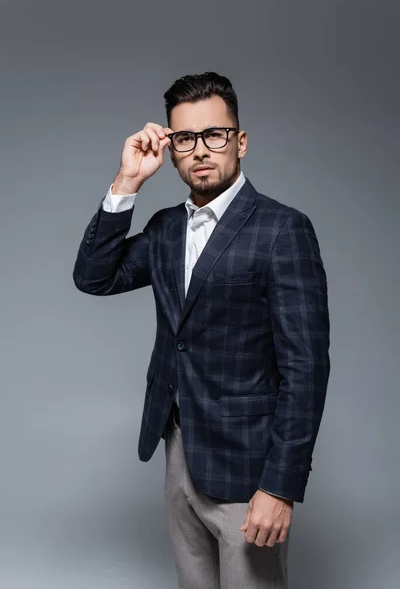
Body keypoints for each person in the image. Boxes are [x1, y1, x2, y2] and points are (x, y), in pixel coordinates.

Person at [73, 71, 330, 588]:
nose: (200, 151)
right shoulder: (167, 228)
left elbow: (306, 369)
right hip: (179, 451)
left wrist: (279, 488)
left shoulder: (283, 230)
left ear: (241, 141)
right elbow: (94, 277)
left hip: (248, 469)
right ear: (171, 150)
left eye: (214, 134)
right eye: (185, 139)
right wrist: (127, 182)